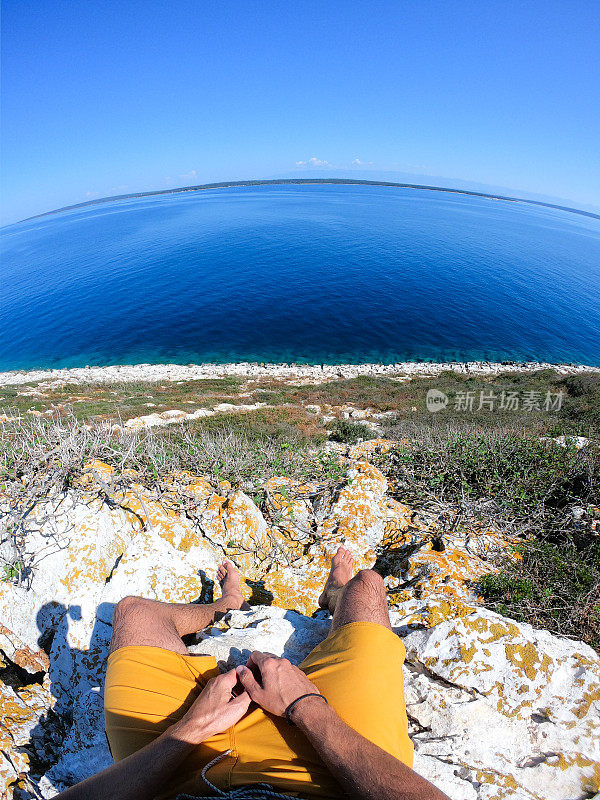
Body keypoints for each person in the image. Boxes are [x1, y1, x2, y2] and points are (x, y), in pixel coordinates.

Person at [56, 546, 449, 800]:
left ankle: (229, 602)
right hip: (326, 771)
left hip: (177, 771)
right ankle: (334, 591)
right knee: (367, 584)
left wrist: (191, 729)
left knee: (134, 612)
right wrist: (305, 705)